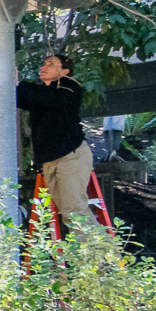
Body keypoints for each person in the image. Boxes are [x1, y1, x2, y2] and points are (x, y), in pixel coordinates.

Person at [18, 52, 93, 223]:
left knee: (75, 212)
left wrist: (19, 84)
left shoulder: (69, 86)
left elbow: (49, 99)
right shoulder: (42, 93)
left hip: (70, 156)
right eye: (43, 64)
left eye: (51, 64)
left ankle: (99, 250)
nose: (43, 67)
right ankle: (92, 249)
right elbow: (23, 98)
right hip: (50, 159)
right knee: (69, 213)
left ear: (65, 71)